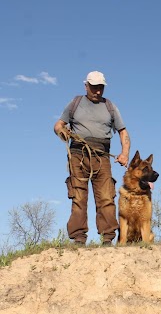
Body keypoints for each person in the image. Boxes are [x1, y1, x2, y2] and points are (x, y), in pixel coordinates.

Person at [53, 71, 130, 246]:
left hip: (102, 156)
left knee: (106, 197)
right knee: (78, 196)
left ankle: (107, 238)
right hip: (78, 154)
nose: (97, 91)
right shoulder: (75, 103)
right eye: (94, 87)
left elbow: (123, 131)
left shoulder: (110, 106)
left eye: (100, 87)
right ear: (86, 86)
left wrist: (124, 153)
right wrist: (61, 132)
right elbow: (59, 124)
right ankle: (79, 239)